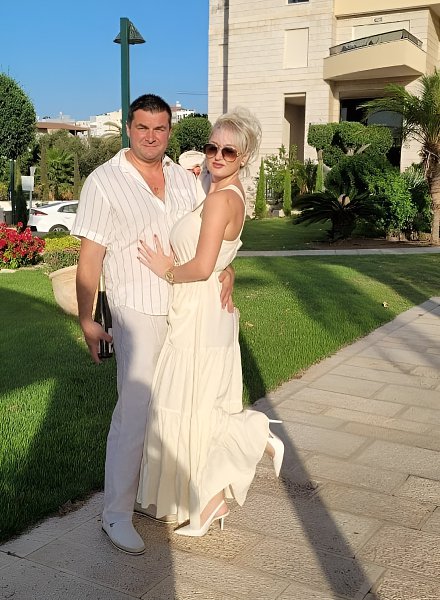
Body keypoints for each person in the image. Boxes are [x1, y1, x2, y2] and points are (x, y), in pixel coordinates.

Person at [71, 94, 234, 555]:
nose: (150, 136)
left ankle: (150, 497)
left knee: (176, 405)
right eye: (142, 127)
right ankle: (116, 514)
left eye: (159, 128)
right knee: (136, 409)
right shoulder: (104, 182)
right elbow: (90, 259)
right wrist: (87, 318)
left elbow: (207, 236)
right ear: (128, 128)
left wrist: (229, 269)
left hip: (184, 307)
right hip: (135, 309)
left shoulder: (184, 180)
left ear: (169, 131)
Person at [136, 108, 284, 537]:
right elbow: (219, 257)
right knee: (198, 403)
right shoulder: (225, 192)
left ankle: (256, 435)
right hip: (204, 310)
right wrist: (228, 267)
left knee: (190, 402)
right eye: (212, 146)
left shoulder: (221, 199)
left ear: (245, 156)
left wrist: (165, 269)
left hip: (200, 311)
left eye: (228, 151)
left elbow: (201, 266)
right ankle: (209, 504)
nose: (217, 156)